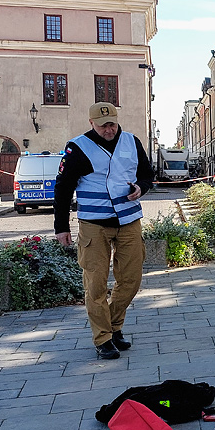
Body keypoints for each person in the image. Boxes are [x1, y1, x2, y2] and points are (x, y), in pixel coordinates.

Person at [55, 102, 154, 359]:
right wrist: (61, 227)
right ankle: (103, 338)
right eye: (103, 125)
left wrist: (141, 188)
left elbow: (147, 175)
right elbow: (63, 188)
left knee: (131, 279)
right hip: (94, 225)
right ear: (91, 123)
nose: (109, 129)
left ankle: (113, 326)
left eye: (112, 124)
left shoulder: (132, 141)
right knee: (95, 285)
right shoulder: (77, 147)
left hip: (129, 220)